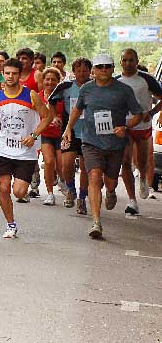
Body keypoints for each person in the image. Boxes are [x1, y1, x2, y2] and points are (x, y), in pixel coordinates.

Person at [62, 53, 142, 238]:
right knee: (94, 176)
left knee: (110, 180)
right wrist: (68, 129)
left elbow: (138, 114)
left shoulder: (123, 90)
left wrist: (125, 126)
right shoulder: (87, 89)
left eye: (107, 66)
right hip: (91, 141)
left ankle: (112, 191)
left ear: (113, 68)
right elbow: (77, 109)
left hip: (115, 144)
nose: (104, 70)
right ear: (94, 71)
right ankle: (96, 222)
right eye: (100, 67)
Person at [0, 58, 52, 238]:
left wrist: (33, 135)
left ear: (20, 75)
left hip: (25, 151)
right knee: (3, 188)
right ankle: (11, 225)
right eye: (7, 73)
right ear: (2, 74)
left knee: (19, 191)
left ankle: (27, 183)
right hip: (3, 149)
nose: (10, 77)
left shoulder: (31, 95)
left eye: (14, 73)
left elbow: (47, 117)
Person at [116, 48, 162, 214]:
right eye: (125, 60)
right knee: (125, 162)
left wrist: (151, 113)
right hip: (125, 126)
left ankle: (142, 177)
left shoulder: (147, 79)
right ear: (120, 62)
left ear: (137, 61)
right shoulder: (116, 81)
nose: (128, 63)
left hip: (142, 127)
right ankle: (132, 200)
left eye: (131, 60)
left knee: (141, 162)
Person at [48, 57, 92, 213]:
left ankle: (82, 198)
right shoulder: (65, 86)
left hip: (89, 132)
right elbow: (51, 101)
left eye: (85, 71)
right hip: (70, 131)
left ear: (90, 71)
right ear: (73, 72)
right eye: (78, 71)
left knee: (86, 167)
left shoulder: (95, 86)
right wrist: (55, 117)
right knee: (66, 164)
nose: (82, 74)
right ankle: (71, 188)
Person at [39, 67, 64, 206]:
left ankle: (64, 181)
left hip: (60, 134)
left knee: (61, 165)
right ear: (43, 81)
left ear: (58, 82)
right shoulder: (37, 96)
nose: (49, 82)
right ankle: (49, 193)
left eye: (53, 80)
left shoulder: (62, 96)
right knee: (49, 162)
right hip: (45, 134)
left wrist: (59, 118)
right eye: (47, 79)